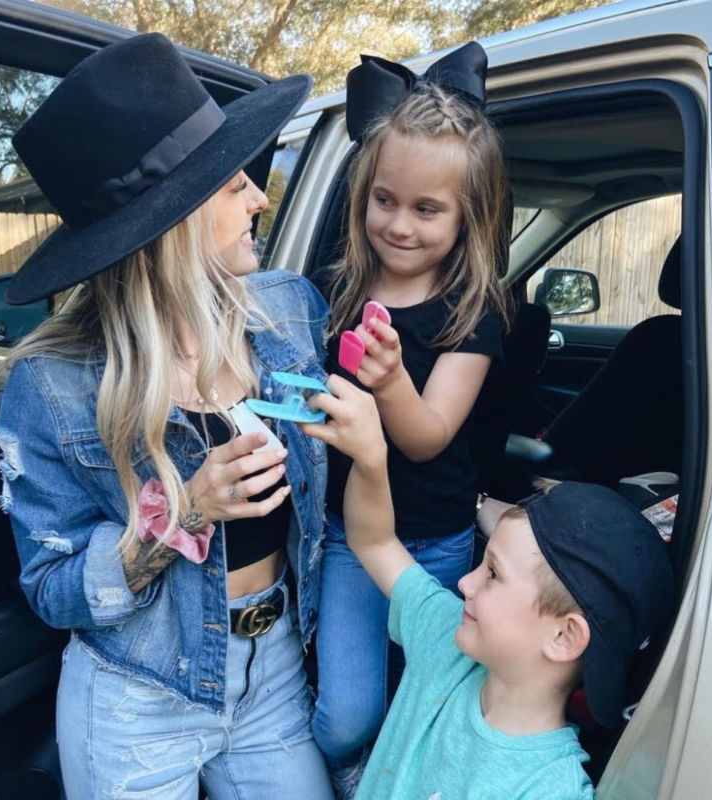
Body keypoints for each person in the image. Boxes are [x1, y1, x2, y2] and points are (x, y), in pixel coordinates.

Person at [0, 34, 335, 800]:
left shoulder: (287, 311)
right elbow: (51, 589)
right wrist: (186, 510)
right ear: (171, 221)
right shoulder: (53, 385)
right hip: (137, 692)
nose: (259, 198)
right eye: (235, 181)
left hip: (274, 665)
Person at [303, 376, 676, 800]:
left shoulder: (550, 789)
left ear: (564, 636)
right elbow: (376, 542)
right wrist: (370, 456)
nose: (464, 582)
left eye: (493, 574)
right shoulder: (445, 641)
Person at [312, 41, 511, 790]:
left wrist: (390, 379)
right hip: (350, 539)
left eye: (428, 209)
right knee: (345, 717)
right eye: (384, 200)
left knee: (419, 698)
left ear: (468, 217)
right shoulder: (338, 292)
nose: (399, 225)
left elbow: (427, 439)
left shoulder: (472, 315)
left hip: (436, 547)